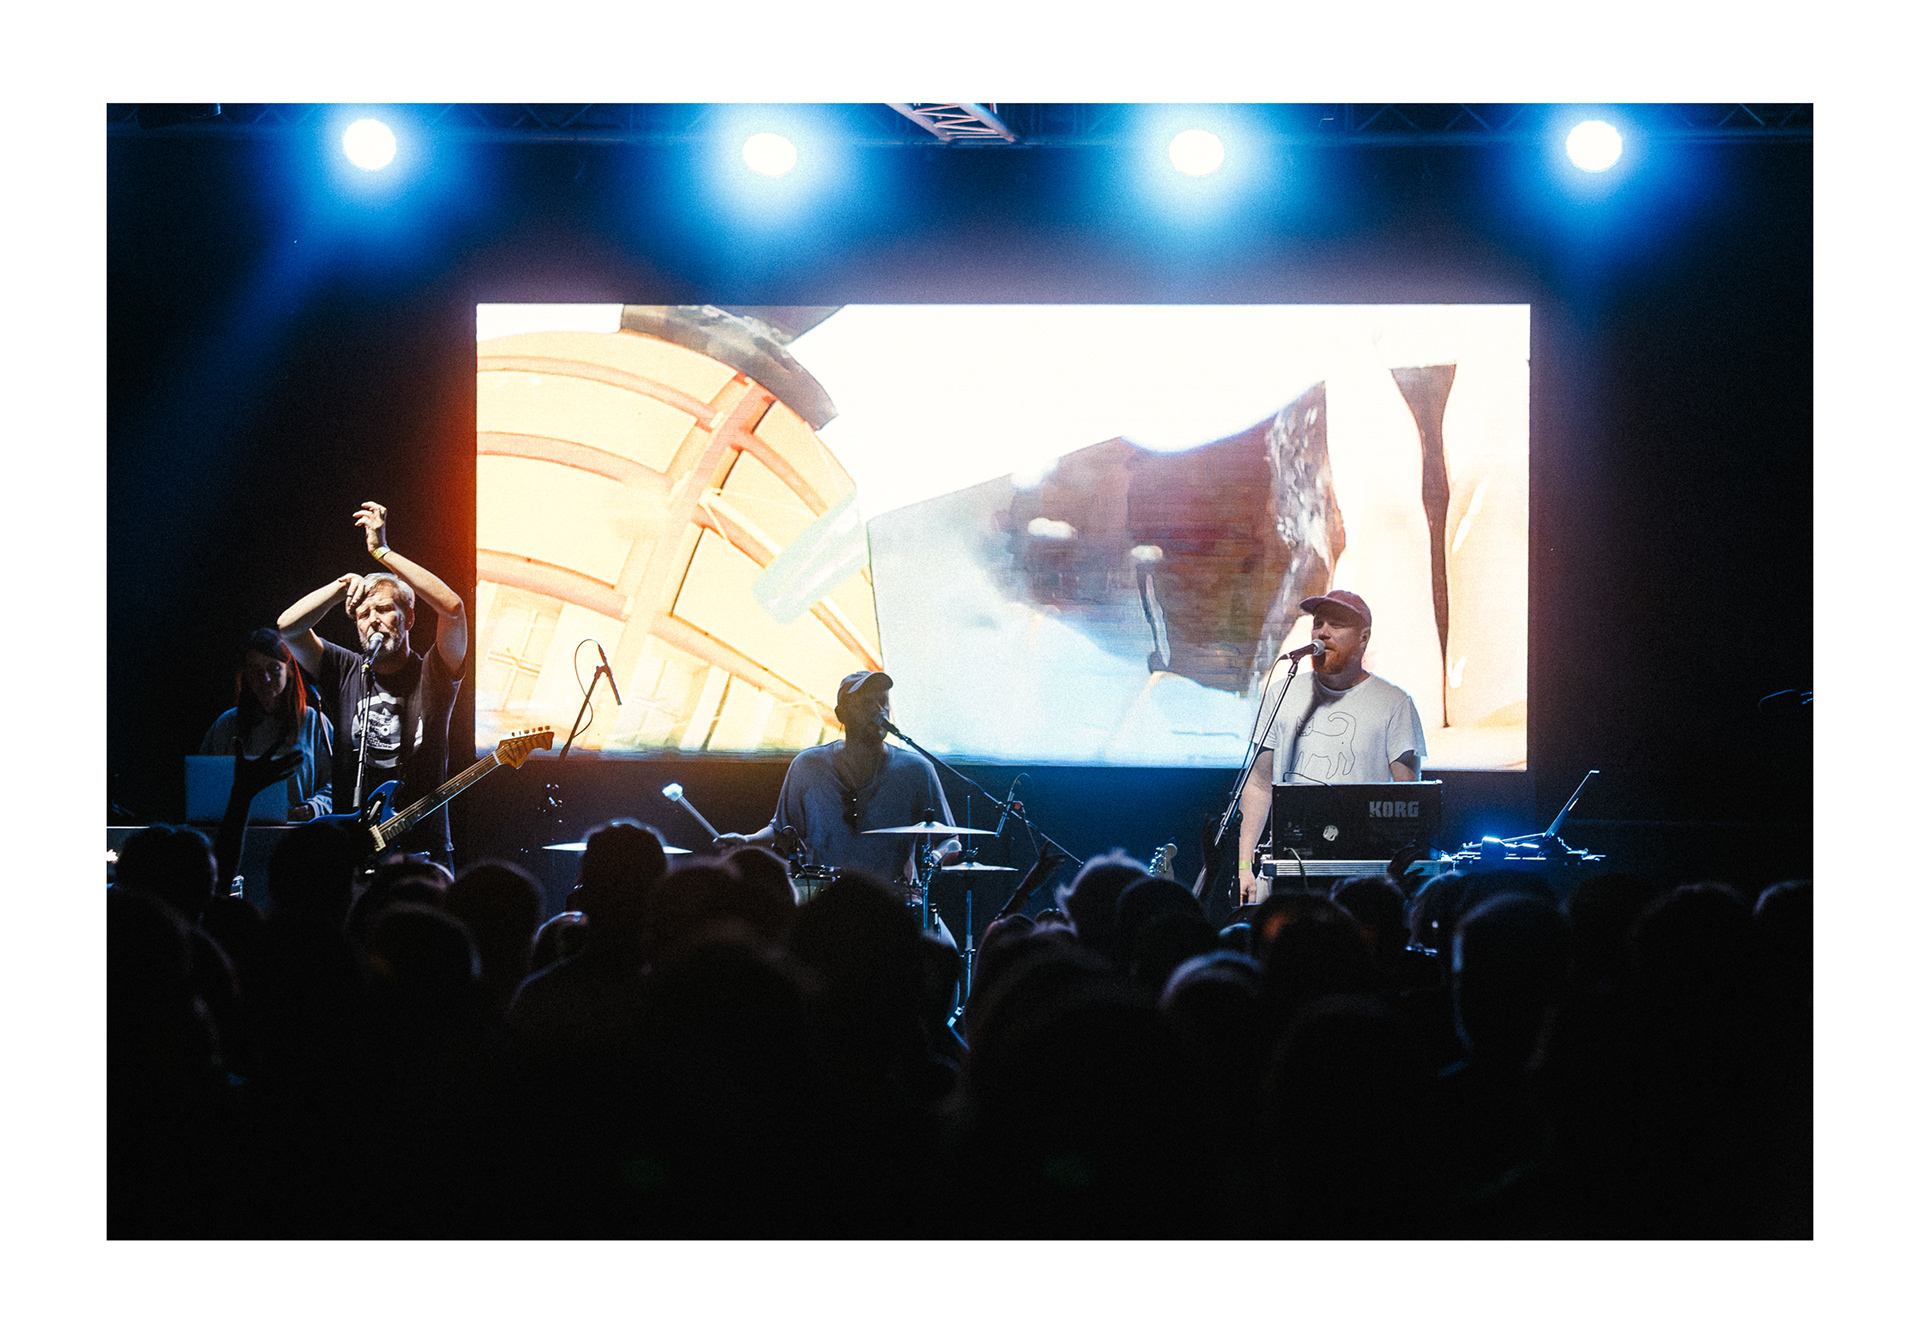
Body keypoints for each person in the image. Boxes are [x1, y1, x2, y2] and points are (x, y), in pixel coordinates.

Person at [276, 501, 468, 867]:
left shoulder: (433, 672)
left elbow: (453, 608)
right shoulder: (347, 669)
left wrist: (383, 552)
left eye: (383, 609)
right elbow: (288, 628)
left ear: (408, 618)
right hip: (354, 850)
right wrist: (340, 589)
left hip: (422, 851)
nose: (373, 620)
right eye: (363, 614)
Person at [1236, 590, 1426, 902]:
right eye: (1318, 623)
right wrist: (1245, 865)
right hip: (1291, 869)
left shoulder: (1395, 703)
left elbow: (1408, 798)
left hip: (1362, 875)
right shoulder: (1281, 694)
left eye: (1336, 625)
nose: (1322, 632)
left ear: (1363, 637)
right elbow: (1258, 784)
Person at [720, 671, 958, 885]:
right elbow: (782, 831)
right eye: (867, 703)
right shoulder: (807, 766)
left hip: (893, 904)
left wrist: (934, 859)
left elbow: (951, 840)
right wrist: (746, 840)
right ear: (841, 714)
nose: (879, 710)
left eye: (883, 701)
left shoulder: (917, 769)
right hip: (825, 902)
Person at [201, 628, 334, 822]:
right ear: (246, 673)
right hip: (240, 829)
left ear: (289, 670)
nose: (265, 678)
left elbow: (335, 781)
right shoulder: (226, 725)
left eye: (274, 668)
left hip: (296, 831)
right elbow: (204, 783)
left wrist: (315, 807)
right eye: (255, 670)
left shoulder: (313, 721)